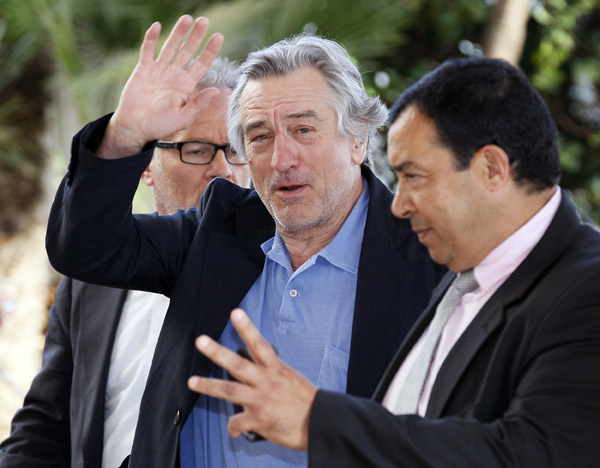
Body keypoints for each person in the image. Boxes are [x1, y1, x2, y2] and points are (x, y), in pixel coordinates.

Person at [42, 15, 444, 468]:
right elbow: (84, 246)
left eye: (303, 129)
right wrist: (126, 135)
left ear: (357, 139)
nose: (281, 159)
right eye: (259, 137)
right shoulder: (217, 229)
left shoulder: (431, 260)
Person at [189, 56, 600, 467]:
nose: (399, 205)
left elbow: (533, 454)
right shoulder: (461, 277)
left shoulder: (585, 289)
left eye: (415, 177)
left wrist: (318, 420)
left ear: (491, 169)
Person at [0, 57, 250, 468]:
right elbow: (46, 423)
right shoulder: (91, 278)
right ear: (146, 167)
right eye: (198, 150)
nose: (222, 169)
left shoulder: (277, 272)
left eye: (238, 150)